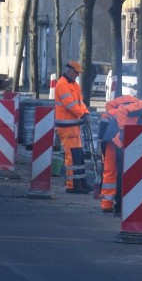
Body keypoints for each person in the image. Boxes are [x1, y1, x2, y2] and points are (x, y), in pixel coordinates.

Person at [54, 60, 92, 194]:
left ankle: (81, 183)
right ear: (69, 70)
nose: (77, 75)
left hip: (74, 125)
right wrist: (83, 114)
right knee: (71, 156)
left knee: (78, 155)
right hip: (66, 125)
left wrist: (85, 112)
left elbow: (80, 102)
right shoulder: (62, 85)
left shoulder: (74, 85)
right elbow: (69, 104)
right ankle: (71, 185)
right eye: (76, 72)